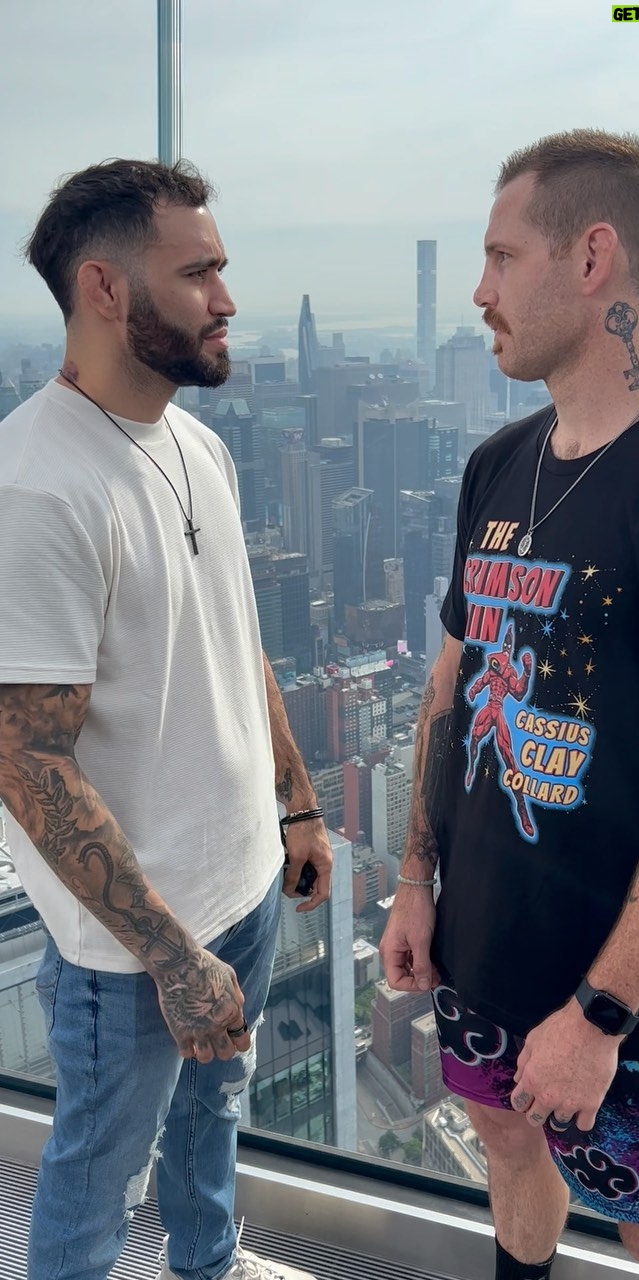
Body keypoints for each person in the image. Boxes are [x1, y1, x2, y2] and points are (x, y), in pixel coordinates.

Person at [380, 128, 639, 1280]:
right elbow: (452, 683)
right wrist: (417, 881)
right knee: (507, 1148)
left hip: (615, 997)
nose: (479, 292)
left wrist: (602, 1015)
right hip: (478, 948)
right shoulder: (497, 464)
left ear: (592, 261)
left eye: (500, 255)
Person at [0, 159, 332, 1280]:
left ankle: (211, 1263)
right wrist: (171, 958)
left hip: (241, 883)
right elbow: (24, 755)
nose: (226, 297)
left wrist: (297, 803)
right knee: (97, 1171)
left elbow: (238, 639)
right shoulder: (35, 486)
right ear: (104, 289)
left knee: (213, 1115)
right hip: (134, 945)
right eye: (199, 273)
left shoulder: (200, 446)